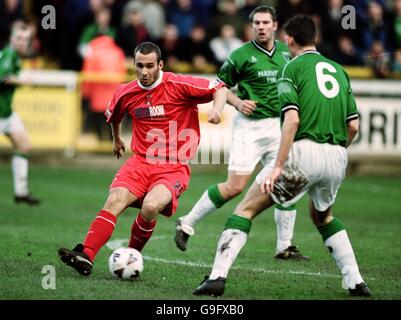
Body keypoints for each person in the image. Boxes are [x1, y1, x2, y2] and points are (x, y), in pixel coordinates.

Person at [193, 15, 371, 298]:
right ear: (316, 38)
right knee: (323, 216)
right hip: (337, 155)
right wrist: (336, 152)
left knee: (246, 209)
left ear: (288, 39)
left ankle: (217, 277)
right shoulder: (339, 70)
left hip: (303, 153)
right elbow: (353, 125)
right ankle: (355, 281)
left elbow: (292, 121)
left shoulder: (291, 68)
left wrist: (278, 166)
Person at [58, 41, 227, 276]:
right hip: (141, 162)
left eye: (150, 66)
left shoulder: (178, 84)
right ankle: (86, 254)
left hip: (173, 167)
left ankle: (131, 255)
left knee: (150, 206)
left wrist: (217, 110)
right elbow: (115, 115)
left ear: (160, 64)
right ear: (134, 65)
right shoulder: (125, 92)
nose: (144, 72)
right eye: (139, 66)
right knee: (114, 200)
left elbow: (219, 87)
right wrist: (117, 139)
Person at [175, 6, 308, 261]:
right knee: (235, 187)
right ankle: (187, 222)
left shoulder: (287, 53)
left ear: (275, 26)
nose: (261, 26)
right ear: (251, 26)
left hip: (279, 126)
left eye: (265, 22)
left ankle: (284, 246)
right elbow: (220, 86)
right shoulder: (240, 55)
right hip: (250, 127)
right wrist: (237, 103)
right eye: (256, 22)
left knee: (286, 181)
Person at [0, 22, 40, 206]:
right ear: (11, 39)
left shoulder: (14, 56)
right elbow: (4, 77)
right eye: (19, 38)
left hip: (7, 113)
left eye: (26, 39)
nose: (23, 42)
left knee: (23, 145)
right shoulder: (8, 54)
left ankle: (21, 192)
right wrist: (22, 81)